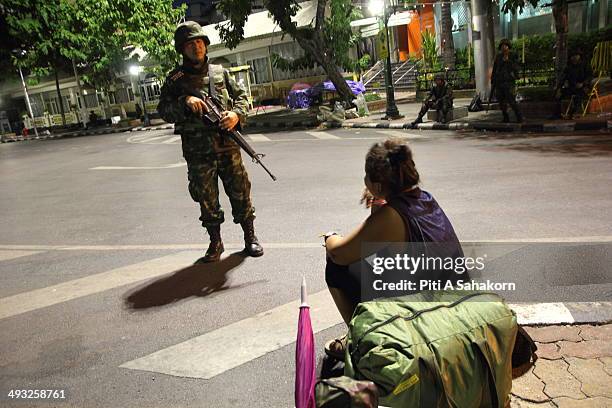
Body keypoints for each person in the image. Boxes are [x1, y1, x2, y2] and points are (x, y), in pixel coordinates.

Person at [323, 138, 465, 358]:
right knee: (375, 261)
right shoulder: (424, 199)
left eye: (367, 177)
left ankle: (361, 342)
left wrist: (331, 238)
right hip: (453, 304)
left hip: (429, 315)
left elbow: (340, 253)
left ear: (378, 184)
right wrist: (380, 198)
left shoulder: (392, 216)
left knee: (335, 267)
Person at [157, 21, 263, 262]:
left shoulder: (220, 72)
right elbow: (163, 109)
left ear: (205, 45)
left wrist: (236, 115)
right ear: (182, 49)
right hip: (197, 151)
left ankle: (250, 237)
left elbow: (242, 98)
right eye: (190, 44)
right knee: (206, 198)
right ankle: (215, 242)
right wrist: (184, 102)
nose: (196, 47)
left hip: (227, 146)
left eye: (199, 42)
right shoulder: (175, 80)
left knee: (240, 192)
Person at [552, 49, 593, 119]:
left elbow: (590, 77)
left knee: (578, 97)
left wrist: (582, 84)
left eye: (576, 56)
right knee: (558, 94)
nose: (574, 58)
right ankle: (557, 114)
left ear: (579, 56)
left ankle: (572, 114)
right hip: (571, 87)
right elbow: (563, 78)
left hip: (583, 88)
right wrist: (559, 88)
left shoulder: (585, 65)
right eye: (572, 56)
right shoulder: (569, 67)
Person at [491, 39, 523, 123]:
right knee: (501, 101)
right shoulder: (498, 57)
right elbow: (495, 68)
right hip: (500, 81)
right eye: (502, 46)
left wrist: (508, 61)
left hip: (509, 82)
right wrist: (493, 80)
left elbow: (515, 67)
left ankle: (519, 117)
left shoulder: (512, 55)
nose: (504, 48)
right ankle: (505, 117)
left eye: (505, 46)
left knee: (511, 101)